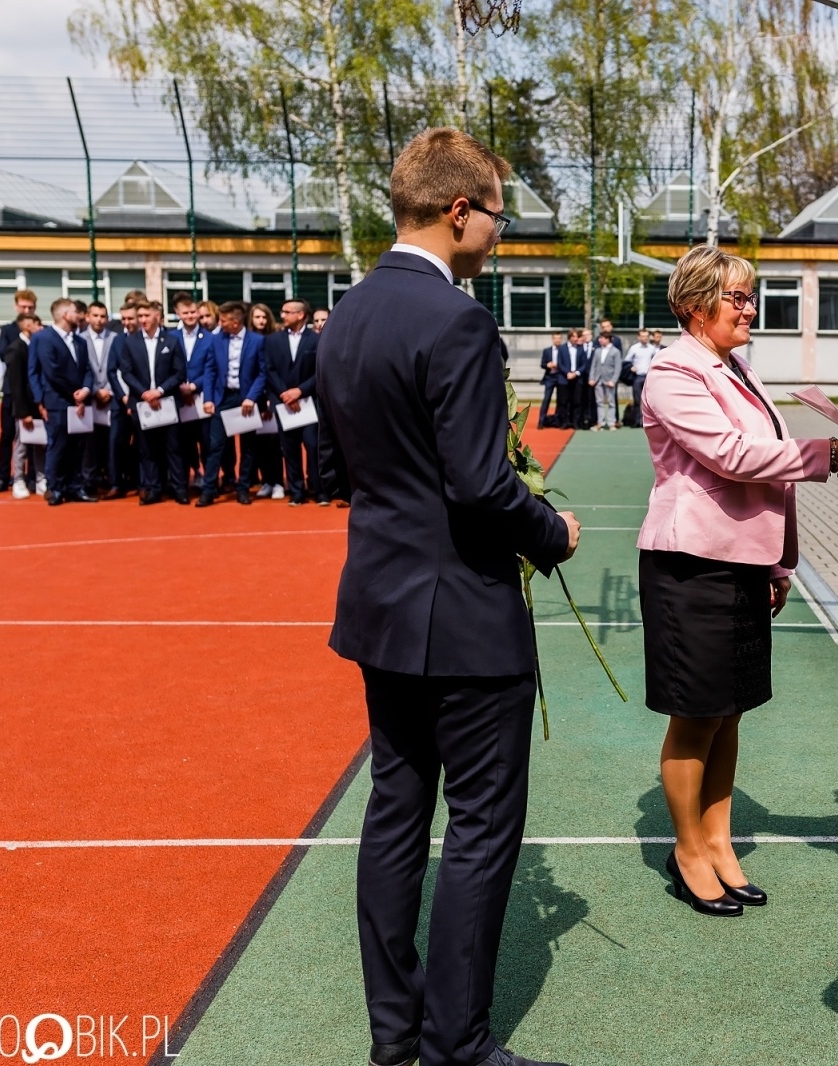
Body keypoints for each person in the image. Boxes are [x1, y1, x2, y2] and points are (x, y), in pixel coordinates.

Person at [316, 127, 579, 1066]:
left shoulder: (342, 315)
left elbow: (329, 466)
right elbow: (479, 485)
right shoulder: (458, 319)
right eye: (500, 217)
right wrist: (553, 533)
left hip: (381, 605)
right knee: (479, 828)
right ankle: (457, 1043)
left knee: (395, 814)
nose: (501, 235)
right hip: (464, 613)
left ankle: (398, 1036)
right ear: (461, 211)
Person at [637, 243, 838, 922]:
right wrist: (832, 454)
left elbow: (771, 483)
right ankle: (688, 850)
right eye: (737, 297)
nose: (750, 308)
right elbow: (734, 457)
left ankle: (721, 844)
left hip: (743, 563)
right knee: (696, 713)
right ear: (697, 307)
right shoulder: (674, 374)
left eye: (750, 296)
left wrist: (780, 562)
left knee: (729, 711)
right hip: (692, 564)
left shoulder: (738, 371)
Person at [117, 300, 189, 505]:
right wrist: (145, 393)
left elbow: (179, 372)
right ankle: (153, 489)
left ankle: (179, 489)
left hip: (167, 402)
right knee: (147, 449)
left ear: (157, 316)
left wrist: (159, 391)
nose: (142, 320)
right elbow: (127, 372)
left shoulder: (172, 340)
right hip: (142, 404)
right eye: (139, 316)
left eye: (146, 316)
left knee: (173, 448)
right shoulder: (130, 342)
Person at [27, 298, 97, 505]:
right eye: (76, 312)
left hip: (79, 403)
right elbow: (51, 372)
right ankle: (55, 488)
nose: (81, 316)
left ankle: (75, 486)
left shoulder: (80, 341)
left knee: (77, 447)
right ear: (65, 314)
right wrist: (73, 395)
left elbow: (87, 370)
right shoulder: (44, 339)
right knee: (58, 446)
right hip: (57, 402)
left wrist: (85, 391)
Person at [195, 301, 265, 506]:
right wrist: (208, 398)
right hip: (222, 398)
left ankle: (243, 489)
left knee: (248, 447)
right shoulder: (216, 340)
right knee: (215, 445)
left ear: (235, 322)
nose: (220, 323)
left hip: (245, 399)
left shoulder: (257, 341)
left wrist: (251, 397)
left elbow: (262, 373)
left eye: (223, 320)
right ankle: (209, 490)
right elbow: (210, 370)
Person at [264, 298, 325, 506]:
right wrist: (285, 394)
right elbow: (269, 370)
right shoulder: (272, 340)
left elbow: (320, 372)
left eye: (287, 312)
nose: (282, 316)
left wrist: (300, 391)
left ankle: (319, 491)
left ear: (300, 315)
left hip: (309, 403)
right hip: (284, 404)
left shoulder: (317, 340)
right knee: (289, 449)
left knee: (313, 446)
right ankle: (297, 492)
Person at [0, 288, 41, 492]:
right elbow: (3, 354)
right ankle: (3, 474)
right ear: (15, 306)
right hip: (12, 391)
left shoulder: (40, 329)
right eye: (23, 306)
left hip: (33, 392)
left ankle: (32, 476)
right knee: (8, 434)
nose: (26, 310)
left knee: (34, 436)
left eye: (30, 307)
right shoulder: (8, 330)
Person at [79, 300, 124, 497]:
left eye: (103, 316)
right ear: (88, 317)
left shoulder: (117, 338)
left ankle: (114, 481)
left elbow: (120, 369)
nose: (99, 319)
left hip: (112, 396)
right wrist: (95, 391)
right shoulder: (79, 339)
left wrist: (109, 391)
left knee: (112, 442)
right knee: (90, 442)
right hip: (89, 397)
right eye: (95, 315)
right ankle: (90, 481)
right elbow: (80, 369)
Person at [4, 313, 46, 499]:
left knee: (40, 444)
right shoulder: (16, 349)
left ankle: (40, 479)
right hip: (24, 407)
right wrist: (23, 412)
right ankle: (18, 479)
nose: (41, 327)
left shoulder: (36, 345)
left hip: (38, 404)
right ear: (28, 326)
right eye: (38, 324)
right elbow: (16, 384)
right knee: (21, 445)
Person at [173, 292, 212, 492]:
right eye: (185, 313)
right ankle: (193, 473)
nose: (190, 316)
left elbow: (211, 368)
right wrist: (181, 388)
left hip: (202, 396)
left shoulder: (209, 338)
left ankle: (208, 478)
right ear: (177, 313)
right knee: (184, 442)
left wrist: (194, 387)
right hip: (179, 398)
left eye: (193, 312)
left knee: (206, 440)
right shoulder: (171, 337)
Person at [245, 302, 285, 498]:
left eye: (264, 317)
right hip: (252, 399)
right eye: (257, 317)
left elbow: (271, 371)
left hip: (271, 398)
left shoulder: (274, 339)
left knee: (273, 443)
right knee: (257, 444)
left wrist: (271, 398)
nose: (261, 321)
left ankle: (278, 481)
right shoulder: (248, 340)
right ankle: (266, 481)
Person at [625, 328, 660, 428]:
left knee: (649, 401)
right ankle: (637, 421)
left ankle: (648, 422)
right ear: (639, 337)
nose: (645, 338)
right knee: (637, 400)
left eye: (646, 336)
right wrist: (631, 367)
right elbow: (627, 361)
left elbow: (656, 360)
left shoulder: (652, 348)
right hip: (637, 376)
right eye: (643, 336)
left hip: (649, 377)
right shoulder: (634, 348)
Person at [588, 332, 621, 430]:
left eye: (601, 338)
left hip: (609, 380)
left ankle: (611, 423)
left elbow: (618, 367)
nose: (599, 340)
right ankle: (600, 423)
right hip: (598, 380)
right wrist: (591, 378)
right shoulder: (598, 351)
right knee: (599, 402)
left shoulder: (615, 351)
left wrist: (613, 380)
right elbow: (593, 365)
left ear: (608, 339)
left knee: (611, 402)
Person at [538, 332, 568, 428]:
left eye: (559, 338)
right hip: (550, 377)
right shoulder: (547, 350)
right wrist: (548, 365)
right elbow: (542, 364)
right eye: (555, 338)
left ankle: (558, 420)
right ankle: (541, 420)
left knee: (561, 400)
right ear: (552, 339)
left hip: (561, 376)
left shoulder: (564, 350)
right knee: (546, 399)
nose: (557, 340)